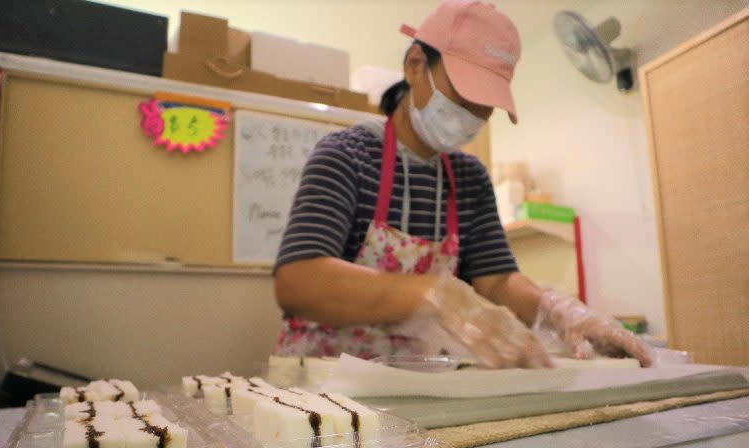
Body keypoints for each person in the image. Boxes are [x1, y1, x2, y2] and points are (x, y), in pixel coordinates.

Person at [273, 0, 651, 368]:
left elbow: (497, 282)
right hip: (330, 387)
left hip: (426, 381)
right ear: (415, 65)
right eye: (465, 96)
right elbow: (299, 283)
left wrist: (557, 309)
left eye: (485, 104)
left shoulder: (469, 178)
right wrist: (434, 293)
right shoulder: (347, 155)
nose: (472, 116)